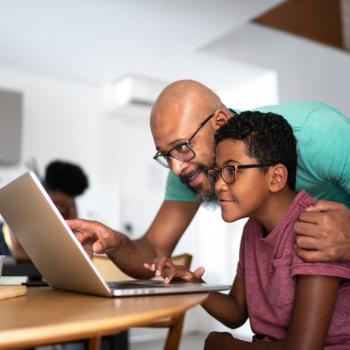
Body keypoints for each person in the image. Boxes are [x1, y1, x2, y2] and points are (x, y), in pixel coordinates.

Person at [67, 80, 350, 279]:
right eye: (166, 155)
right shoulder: (190, 169)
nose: (177, 168)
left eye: (181, 146)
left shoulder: (316, 134)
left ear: (220, 122)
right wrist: (116, 243)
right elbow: (153, 251)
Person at [155, 111, 350, 349]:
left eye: (231, 171)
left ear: (276, 177)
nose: (218, 185)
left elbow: (304, 347)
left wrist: (228, 346)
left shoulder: (317, 228)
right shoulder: (252, 229)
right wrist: (192, 286)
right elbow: (236, 312)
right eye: (217, 172)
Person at [8, 160, 89, 261]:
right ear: (49, 189)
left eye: (66, 205)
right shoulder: (23, 205)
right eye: (57, 204)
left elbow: (73, 245)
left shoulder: (70, 205)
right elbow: (17, 253)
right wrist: (57, 256)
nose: (61, 210)